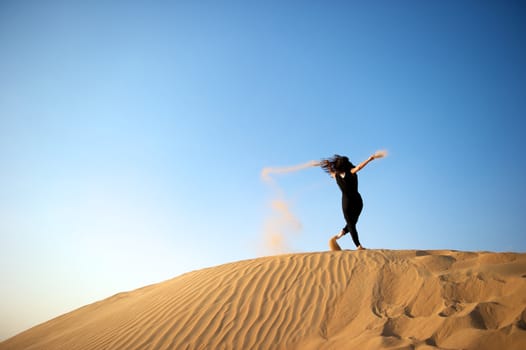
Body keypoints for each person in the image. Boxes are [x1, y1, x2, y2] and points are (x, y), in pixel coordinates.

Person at [320, 153, 380, 250]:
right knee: (352, 223)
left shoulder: (336, 175)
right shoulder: (351, 172)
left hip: (347, 203)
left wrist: (328, 165)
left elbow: (331, 172)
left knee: (351, 224)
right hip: (357, 201)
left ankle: (346, 240)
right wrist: (369, 159)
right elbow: (359, 167)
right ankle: (355, 244)